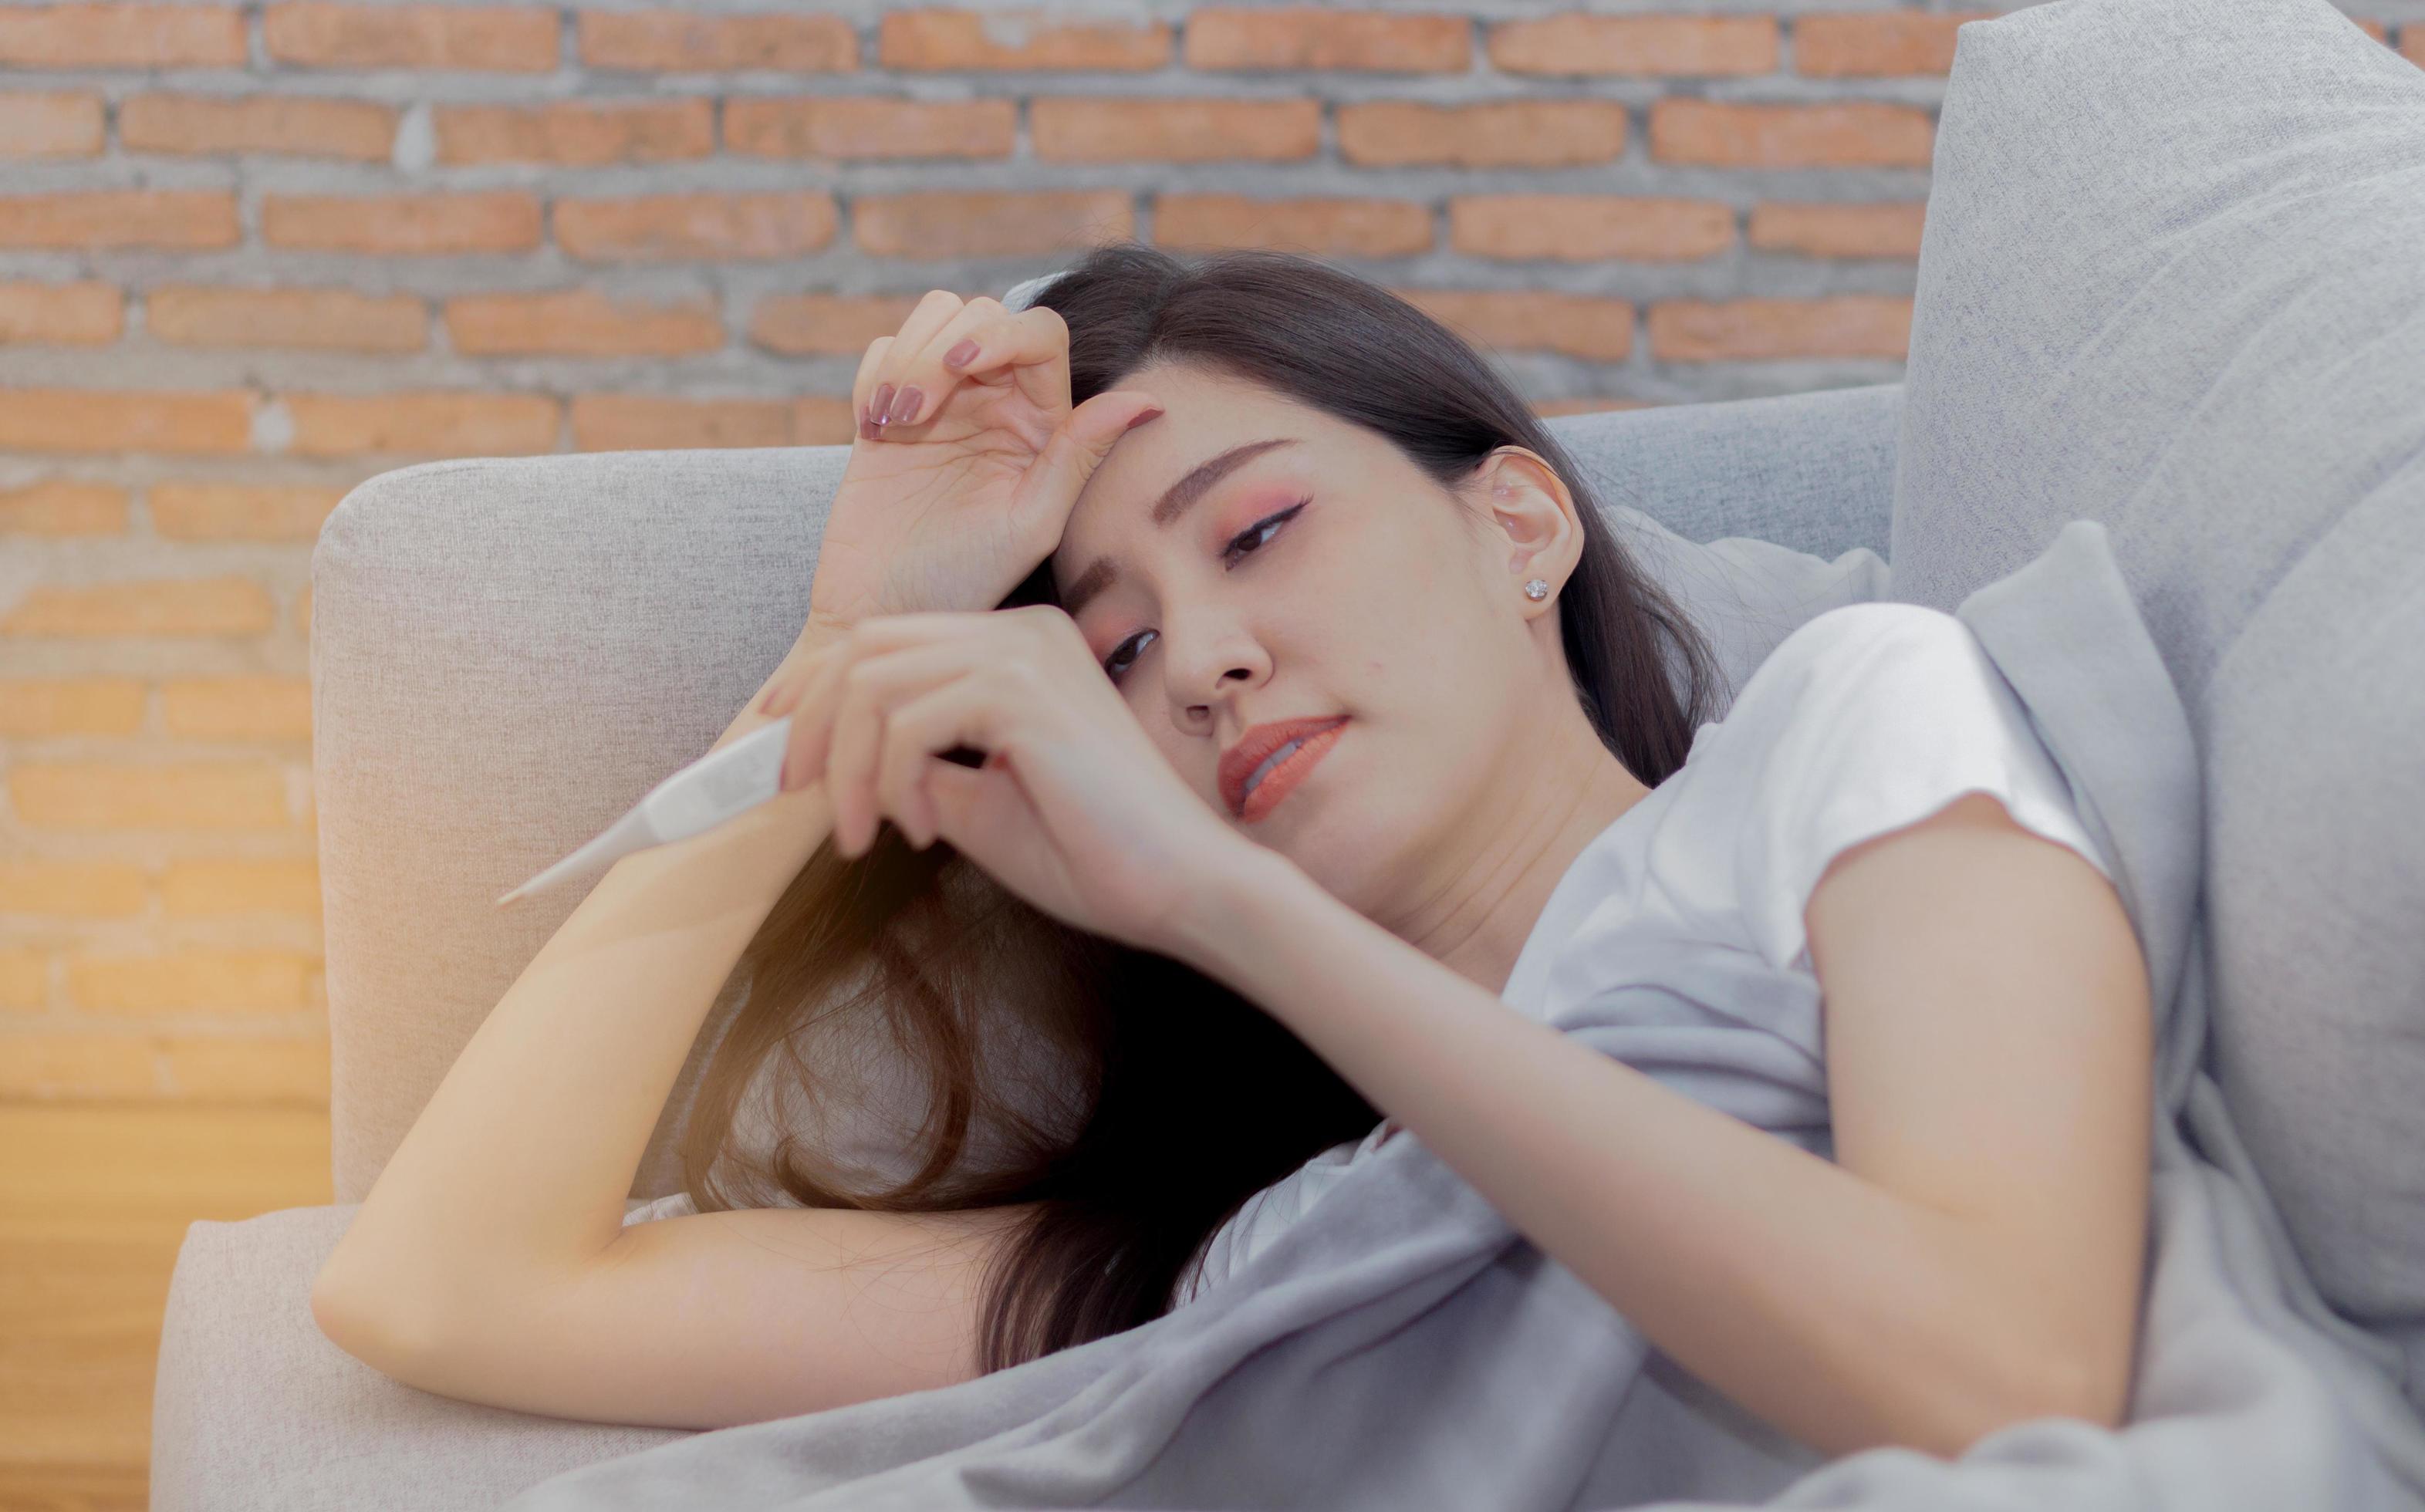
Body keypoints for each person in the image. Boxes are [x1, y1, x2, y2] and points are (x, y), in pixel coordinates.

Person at [310, 244, 2152, 1466]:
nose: (1197, 658)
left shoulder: (1858, 721)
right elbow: (443, 1281)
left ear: (1521, 519)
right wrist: (850, 642)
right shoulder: (1281, 1257)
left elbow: (2011, 1382)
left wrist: (1235, 907)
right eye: (1108, 649)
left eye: (1260, 529)